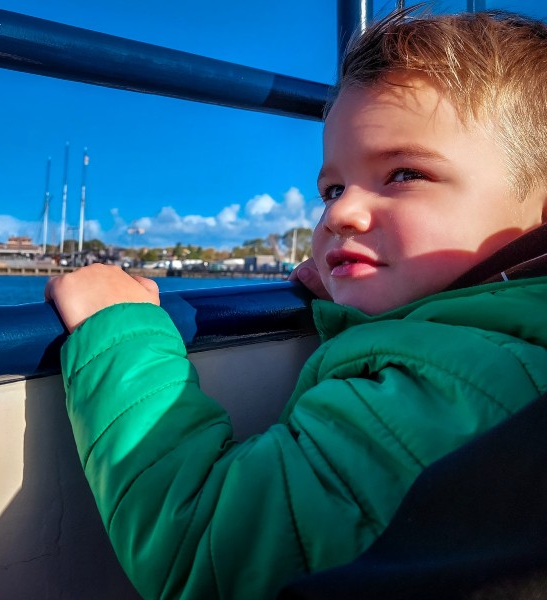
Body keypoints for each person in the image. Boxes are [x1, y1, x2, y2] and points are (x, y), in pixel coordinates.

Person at [44, 8, 547, 599]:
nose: (339, 213)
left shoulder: (439, 388)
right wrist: (350, 294)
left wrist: (119, 333)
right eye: (333, 188)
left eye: (404, 173)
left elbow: (207, 555)